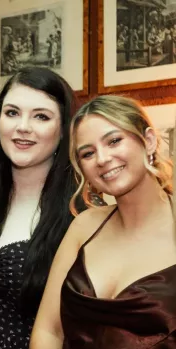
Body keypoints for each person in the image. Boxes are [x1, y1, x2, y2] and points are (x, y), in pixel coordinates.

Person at [0, 66, 89, 348]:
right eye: (12, 113)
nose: (23, 126)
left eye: (41, 116)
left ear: (63, 131)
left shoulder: (80, 212)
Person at [30, 95, 174, 348]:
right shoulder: (83, 227)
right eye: (88, 153)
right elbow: (49, 331)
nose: (102, 159)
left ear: (149, 141)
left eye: (114, 141)